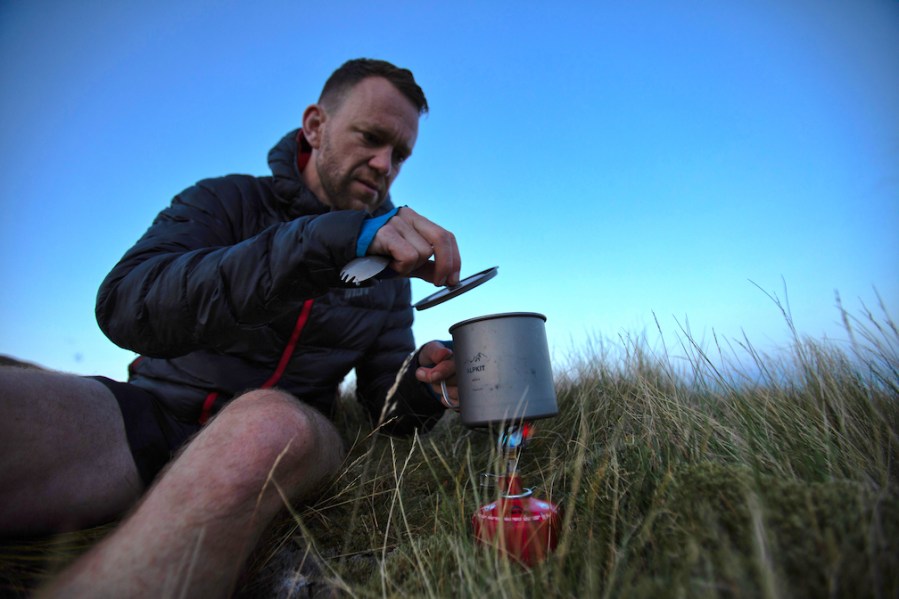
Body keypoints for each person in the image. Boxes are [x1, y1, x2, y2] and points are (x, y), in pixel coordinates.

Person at [0, 58, 460, 596]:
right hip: (149, 415)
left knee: (265, 426)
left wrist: (426, 383)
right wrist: (323, 243)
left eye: (400, 154)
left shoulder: (389, 272)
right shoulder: (224, 200)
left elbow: (385, 403)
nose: (385, 165)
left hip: (285, 440)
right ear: (315, 125)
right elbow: (127, 303)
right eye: (371, 138)